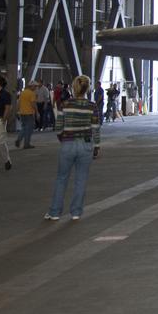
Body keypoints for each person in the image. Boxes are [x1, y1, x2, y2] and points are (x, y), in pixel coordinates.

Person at [45, 75, 101, 221]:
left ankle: (55, 212)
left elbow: (58, 127)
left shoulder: (66, 104)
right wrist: (97, 146)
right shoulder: (92, 105)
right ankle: (76, 212)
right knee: (81, 179)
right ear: (88, 88)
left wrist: (63, 138)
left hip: (68, 143)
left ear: (74, 87)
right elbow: (95, 127)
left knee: (61, 178)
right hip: (86, 144)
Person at [16, 81, 38, 149]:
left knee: (24, 128)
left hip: (22, 113)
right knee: (29, 129)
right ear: (31, 86)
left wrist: (17, 111)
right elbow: (33, 104)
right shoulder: (32, 93)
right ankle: (26, 144)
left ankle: (19, 139)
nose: (35, 87)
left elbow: (18, 102)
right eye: (35, 86)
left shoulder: (23, 92)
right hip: (29, 113)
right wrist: (37, 112)